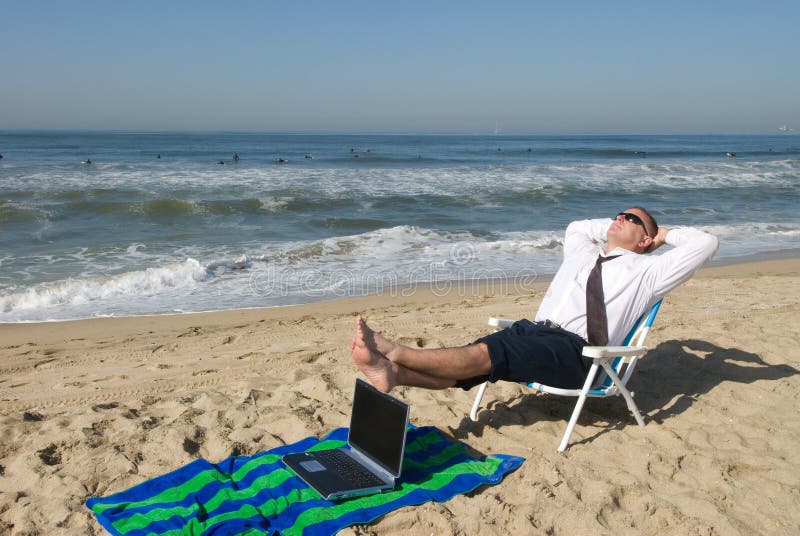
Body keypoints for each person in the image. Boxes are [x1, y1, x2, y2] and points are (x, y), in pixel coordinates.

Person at [351, 207, 718, 393]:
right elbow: (576, 227)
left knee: (482, 356)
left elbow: (706, 243)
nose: (620, 218)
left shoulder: (649, 272)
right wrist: (620, 225)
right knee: (476, 363)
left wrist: (662, 235)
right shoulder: (581, 253)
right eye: (619, 214)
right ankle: (394, 374)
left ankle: (396, 353)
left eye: (632, 219)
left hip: (578, 354)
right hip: (533, 332)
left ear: (645, 241)